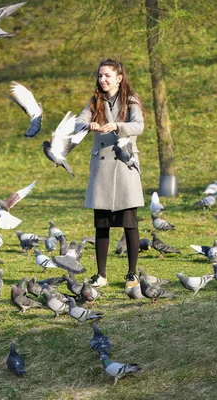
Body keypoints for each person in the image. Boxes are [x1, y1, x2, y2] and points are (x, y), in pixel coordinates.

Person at [74, 58, 145, 292]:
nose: (102, 80)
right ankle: (101, 274)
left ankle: (132, 274)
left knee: (129, 223)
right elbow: (78, 123)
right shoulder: (95, 101)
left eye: (107, 76)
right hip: (102, 168)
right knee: (101, 223)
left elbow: (139, 126)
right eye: (100, 75)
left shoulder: (131, 100)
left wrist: (116, 126)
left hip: (125, 166)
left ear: (119, 78)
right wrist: (90, 125)